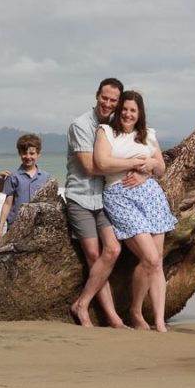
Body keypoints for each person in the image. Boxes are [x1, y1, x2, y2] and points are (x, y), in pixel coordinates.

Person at [94, 90, 177, 332]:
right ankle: (136, 311)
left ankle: (159, 322)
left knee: (157, 263)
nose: (128, 114)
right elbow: (103, 163)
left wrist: (150, 166)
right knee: (149, 258)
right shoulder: (106, 132)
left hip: (151, 196)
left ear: (139, 113)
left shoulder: (148, 135)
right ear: (118, 111)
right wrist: (137, 164)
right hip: (120, 196)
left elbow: (160, 167)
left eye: (133, 110)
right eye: (124, 109)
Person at [66, 78, 146, 328]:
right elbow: (93, 166)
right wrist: (133, 163)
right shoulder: (81, 125)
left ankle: (82, 302)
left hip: (103, 199)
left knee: (112, 250)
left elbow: (136, 153)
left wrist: (146, 169)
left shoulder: (113, 127)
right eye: (105, 98)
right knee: (93, 254)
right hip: (80, 197)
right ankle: (107, 315)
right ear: (97, 95)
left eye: (113, 100)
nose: (108, 104)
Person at [0, 134, 51, 242]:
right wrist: (0, 227)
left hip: (37, 227)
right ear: (19, 154)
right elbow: (8, 203)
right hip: (15, 226)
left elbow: (48, 204)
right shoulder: (13, 177)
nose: (28, 156)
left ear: (38, 154)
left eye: (32, 153)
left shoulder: (46, 177)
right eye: (24, 153)